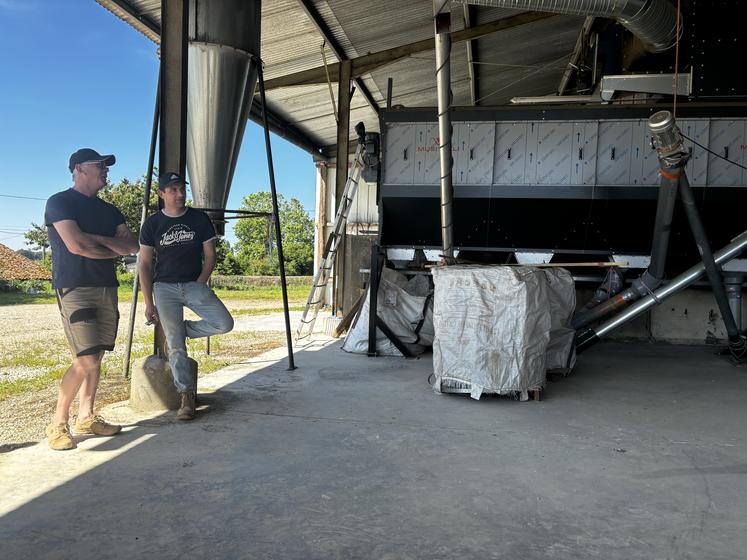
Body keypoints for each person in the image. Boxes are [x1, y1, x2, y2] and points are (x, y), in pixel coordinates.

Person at [45, 148, 140, 451]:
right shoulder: (60, 202)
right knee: (85, 358)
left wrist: (97, 241)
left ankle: (85, 416)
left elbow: (131, 246)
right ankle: (58, 424)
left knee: (96, 355)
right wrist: (109, 248)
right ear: (78, 169)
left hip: (105, 286)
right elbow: (75, 245)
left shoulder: (109, 210)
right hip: (75, 286)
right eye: (99, 165)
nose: (105, 170)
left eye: (105, 166)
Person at [138, 172, 234, 421]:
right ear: (161, 194)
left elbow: (210, 255)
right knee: (177, 347)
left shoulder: (198, 219)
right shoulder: (152, 224)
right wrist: (148, 302)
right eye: (173, 190)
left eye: (182, 189)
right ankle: (186, 396)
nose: (179, 194)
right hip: (164, 288)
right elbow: (145, 264)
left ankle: (180, 330)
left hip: (194, 284)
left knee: (224, 324)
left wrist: (201, 282)